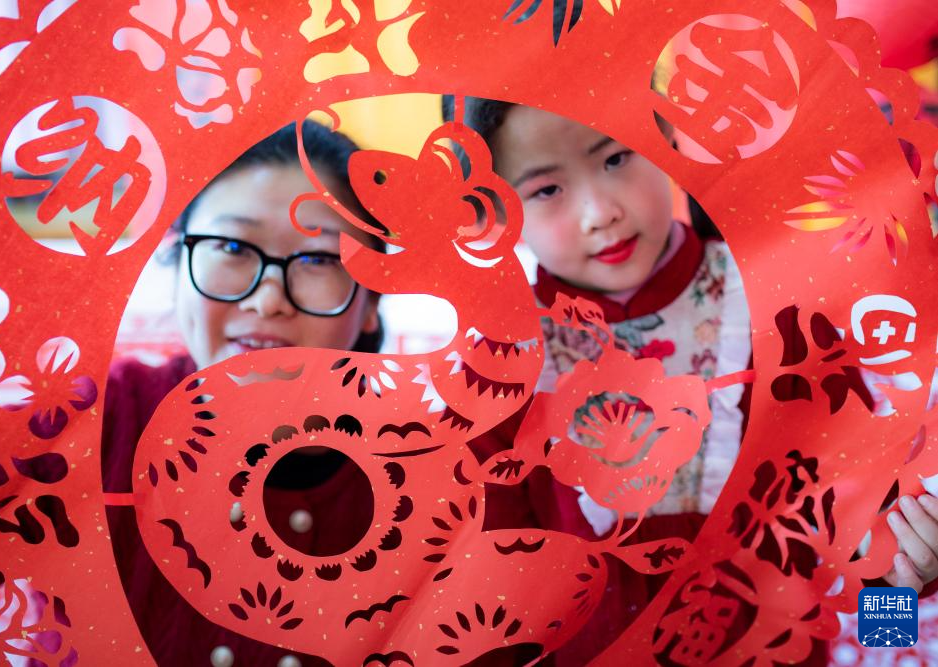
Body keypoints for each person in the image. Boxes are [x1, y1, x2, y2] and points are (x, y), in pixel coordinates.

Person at [444, 96, 938, 664]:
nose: (600, 212)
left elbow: (864, 524)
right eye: (547, 189)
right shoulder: (500, 370)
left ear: (666, 139)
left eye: (616, 158)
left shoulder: (780, 311)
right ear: (495, 213)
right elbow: (490, 592)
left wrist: (903, 589)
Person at [101, 121, 385, 666]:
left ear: (372, 299)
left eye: (319, 259)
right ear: (177, 260)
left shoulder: (433, 475)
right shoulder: (94, 422)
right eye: (232, 247)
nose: (268, 299)